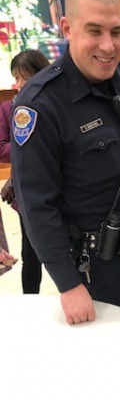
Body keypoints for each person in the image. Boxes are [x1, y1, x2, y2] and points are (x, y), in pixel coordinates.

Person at [11, 0, 120, 338]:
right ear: (68, 28)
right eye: (95, 31)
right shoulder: (41, 105)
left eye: (116, 31)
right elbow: (36, 204)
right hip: (100, 273)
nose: (109, 45)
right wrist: (68, 284)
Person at [0, 49, 49, 293]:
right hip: (26, 194)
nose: (19, 84)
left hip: (62, 188)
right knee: (31, 253)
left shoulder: (57, 104)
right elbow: (1, 147)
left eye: (25, 78)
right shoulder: (9, 109)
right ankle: (31, 301)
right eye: (16, 78)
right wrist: (27, 147)